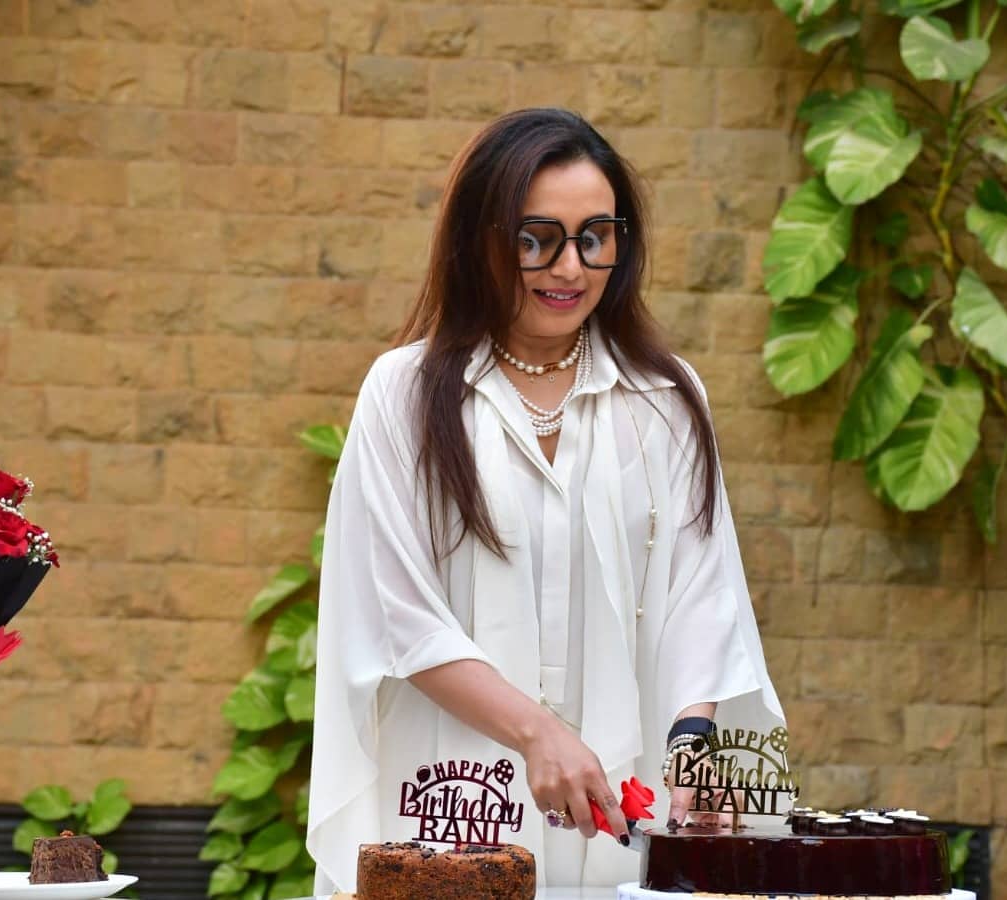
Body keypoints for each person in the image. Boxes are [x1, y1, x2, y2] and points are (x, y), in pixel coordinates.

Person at [306, 107, 784, 892]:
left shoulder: (666, 400)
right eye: (537, 240)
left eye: (595, 237)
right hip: (449, 793)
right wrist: (536, 734)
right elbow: (398, 612)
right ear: (481, 241)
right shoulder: (405, 394)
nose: (570, 268)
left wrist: (692, 745)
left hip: (620, 792)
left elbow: (702, 597)